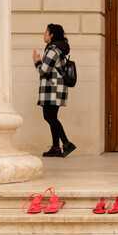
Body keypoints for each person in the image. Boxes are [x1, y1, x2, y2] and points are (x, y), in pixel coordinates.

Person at [33, 23, 75, 157]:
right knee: (52, 117)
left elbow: (44, 70)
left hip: (52, 89)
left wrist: (37, 61)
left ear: (52, 35)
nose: (44, 34)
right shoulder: (55, 49)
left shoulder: (53, 50)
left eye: (46, 32)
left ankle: (67, 143)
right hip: (55, 89)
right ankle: (56, 147)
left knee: (49, 117)